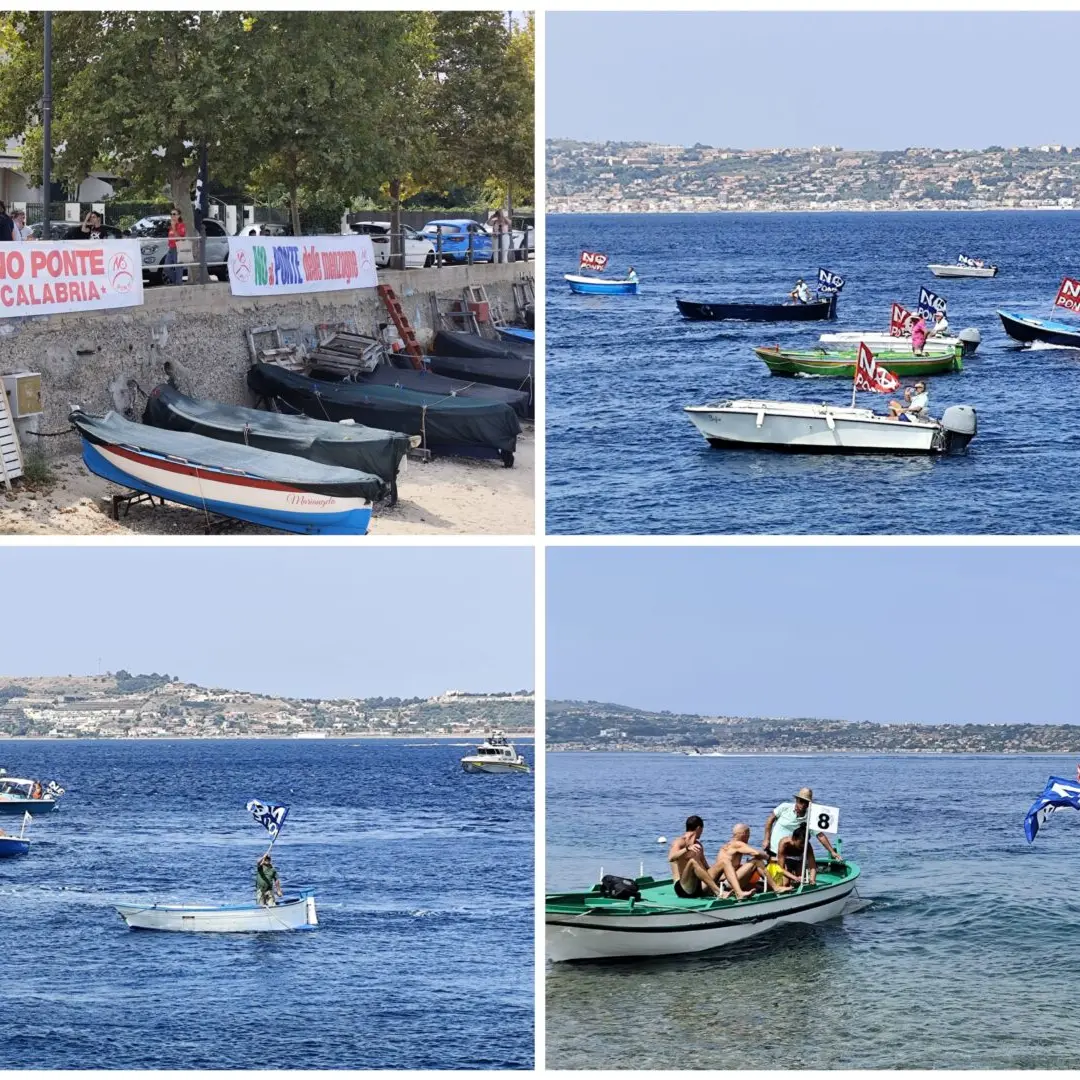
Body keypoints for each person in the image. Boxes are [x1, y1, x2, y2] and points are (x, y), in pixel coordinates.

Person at [763, 787, 840, 865]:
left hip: (792, 854)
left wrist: (832, 852)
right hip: (774, 849)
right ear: (796, 800)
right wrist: (766, 839)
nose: (803, 805)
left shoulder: (811, 817)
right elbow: (770, 820)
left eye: (806, 802)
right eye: (801, 801)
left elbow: (820, 836)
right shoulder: (784, 807)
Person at [667, 815, 726, 899]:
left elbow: (706, 868)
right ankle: (718, 891)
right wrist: (687, 849)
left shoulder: (698, 845)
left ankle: (737, 891)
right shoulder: (679, 842)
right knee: (693, 861)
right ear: (699, 828)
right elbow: (671, 858)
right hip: (682, 888)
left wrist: (719, 874)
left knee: (724, 862)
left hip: (697, 887)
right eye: (702, 830)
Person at [708, 823, 765, 900]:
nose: (749, 837)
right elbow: (756, 853)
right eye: (748, 834)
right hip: (728, 883)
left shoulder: (727, 845)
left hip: (720, 883)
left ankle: (761, 886)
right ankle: (774, 886)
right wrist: (769, 857)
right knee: (756, 861)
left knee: (756, 884)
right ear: (744, 834)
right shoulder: (738, 844)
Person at [164, 207, 185, 284]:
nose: (172, 216)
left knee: (178, 267)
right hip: (171, 248)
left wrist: (173, 227)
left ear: (179, 216)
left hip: (178, 247)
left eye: (174, 214)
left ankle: (178, 283)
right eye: (171, 214)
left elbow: (179, 238)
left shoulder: (181, 225)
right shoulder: (171, 225)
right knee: (166, 268)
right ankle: (176, 282)